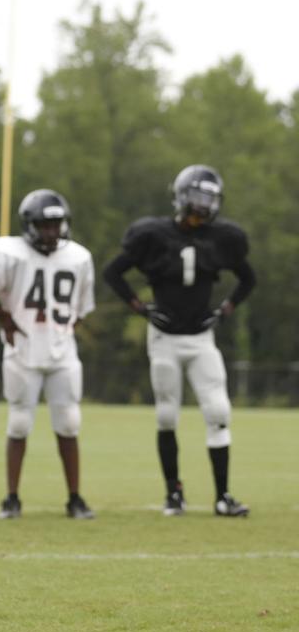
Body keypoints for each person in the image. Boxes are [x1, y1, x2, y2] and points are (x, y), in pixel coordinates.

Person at [103, 165, 255, 517]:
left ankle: (222, 496)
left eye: (209, 198)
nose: (203, 205)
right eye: (198, 196)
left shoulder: (223, 237)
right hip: (165, 338)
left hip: (202, 338)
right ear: (182, 196)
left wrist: (225, 309)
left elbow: (248, 278)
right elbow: (113, 272)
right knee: (167, 415)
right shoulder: (153, 234)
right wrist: (141, 308)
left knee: (218, 411)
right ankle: (174, 493)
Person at [0, 189, 96, 520]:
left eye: (56, 225)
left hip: (62, 353)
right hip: (22, 350)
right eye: (44, 225)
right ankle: (11, 497)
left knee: (69, 422)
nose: (51, 232)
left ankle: (75, 498)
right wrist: (3, 317)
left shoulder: (78, 257)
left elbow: (80, 309)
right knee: (19, 423)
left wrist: (59, 330)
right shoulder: (8, 253)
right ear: (29, 225)